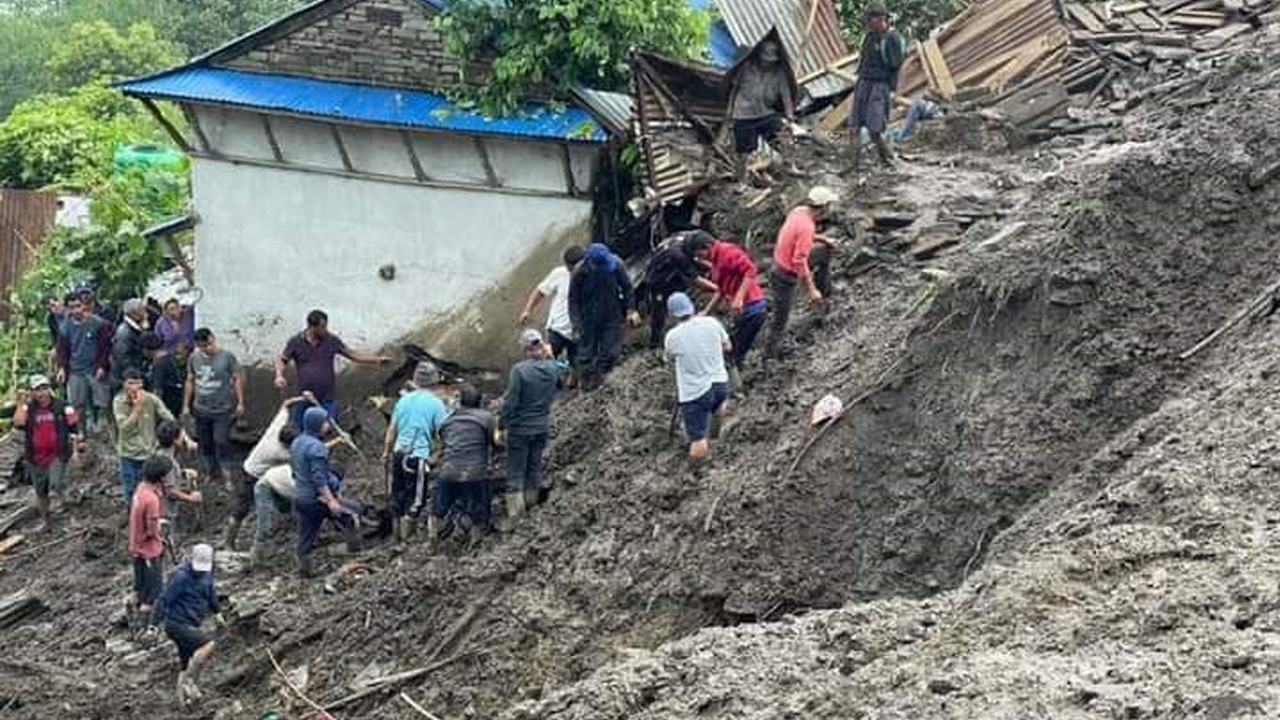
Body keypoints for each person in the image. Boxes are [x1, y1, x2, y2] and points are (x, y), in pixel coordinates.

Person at [275, 309, 392, 429]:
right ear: (312, 327)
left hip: (327, 398)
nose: (326, 330)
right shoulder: (295, 342)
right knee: (297, 429)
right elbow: (282, 360)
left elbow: (353, 355)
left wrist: (376, 360)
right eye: (323, 327)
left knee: (328, 429)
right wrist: (279, 375)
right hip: (303, 398)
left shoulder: (331, 340)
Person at [234, 395, 314, 559]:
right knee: (242, 510)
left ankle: (286, 527)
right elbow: (304, 455)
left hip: (267, 474)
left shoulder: (277, 426)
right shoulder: (278, 452)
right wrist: (334, 441)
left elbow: (285, 404)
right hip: (252, 474)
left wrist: (303, 399)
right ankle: (232, 542)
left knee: (284, 503)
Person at [685, 235, 768, 392]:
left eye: (698, 254)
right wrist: (706, 312)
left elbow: (750, 270)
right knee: (734, 350)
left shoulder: (727, 252)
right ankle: (737, 383)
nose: (699, 258)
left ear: (707, 246)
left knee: (730, 353)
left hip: (753, 309)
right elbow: (721, 290)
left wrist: (739, 297)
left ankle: (736, 392)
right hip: (743, 312)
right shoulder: (716, 261)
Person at [765, 187, 839, 362]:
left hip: (782, 262)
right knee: (780, 320)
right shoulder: (807, 226)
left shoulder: (799, 211)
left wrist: (824, 239)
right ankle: (769, 358)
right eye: (829, 205)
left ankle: (825, 292)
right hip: (784, 274)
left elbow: (802, 235)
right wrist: (811, 290)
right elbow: (799, 261)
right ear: (824, 207)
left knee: (823, 252)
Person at [381, 361, 447, 542]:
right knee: (416, 500)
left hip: (398, 454)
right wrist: (438, 455)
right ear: (435, 382)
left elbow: (391, 430)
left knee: (397, 495)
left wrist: (386, 453)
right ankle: (406, 539)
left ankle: (395, 536)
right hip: (416, 457)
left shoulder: (403, 400)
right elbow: (444, 433)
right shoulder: (436, 404)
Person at [291, 406, 361, 577]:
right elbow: (319, 479)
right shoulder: (317, 448)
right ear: (317, 425)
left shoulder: (298, 442)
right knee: (352, 515)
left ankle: (304, 569)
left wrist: (337, 441)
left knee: (306, 533)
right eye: (325, 422)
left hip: (300, 499)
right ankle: (355, 555)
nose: (328, 425)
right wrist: (331, 501)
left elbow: (296, 469)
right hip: (316, 499)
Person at [500, 329, 560, 520]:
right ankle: (531, 509)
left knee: (515, 473)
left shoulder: (519, 370)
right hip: (541, 427)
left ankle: (516, 517)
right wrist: (551, 357)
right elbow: (563, 380)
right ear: (542, 345)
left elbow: (511, 403)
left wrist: (502, 424)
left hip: (520, 429)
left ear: (525, 348)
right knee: (533, 468)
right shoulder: (553, 367)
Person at [663, 293, 731, 460]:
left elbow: (669, 358)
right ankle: (714, 441)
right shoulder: (712, 322)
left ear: (672, 314)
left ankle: (695, 475)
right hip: (720, 383)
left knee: (697, 439)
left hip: (696, 393)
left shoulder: (673, 336)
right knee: (718, 408)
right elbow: (728, 346)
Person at [430, 385, 499, 547]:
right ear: (480, 402)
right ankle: (476, 540)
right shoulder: (487, 418)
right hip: (475, 473)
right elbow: (496, 443)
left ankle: (432, 537)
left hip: (449, 471)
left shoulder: (448, 421)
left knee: (439, 507)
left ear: (460, 402)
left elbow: (442, 445)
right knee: (480, 508)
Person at [154, 543, 222, 706]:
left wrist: (218, 612)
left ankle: (183, 704)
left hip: (192, 624)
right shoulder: (181, 576)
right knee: (207, 645)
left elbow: (211, 593)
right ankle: (189, 682)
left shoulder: (207, 573)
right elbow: (164, 600)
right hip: (176, 624)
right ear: (191, 559)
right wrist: (153, 624)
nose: (200, 571)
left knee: (186, 664)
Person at [13, 374, 80, 531]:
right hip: (35, 457)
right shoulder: (28, 408)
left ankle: (66, 516)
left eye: (44, 388)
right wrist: (21, 402)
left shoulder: (63, 405)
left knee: (55, 485)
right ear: (32, 392)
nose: (42, 393)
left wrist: (76, 452)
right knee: (40, 492)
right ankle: (46, 522)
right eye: (37, 390)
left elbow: (74, 429)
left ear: (49, 389)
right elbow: (18, 423)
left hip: (58, 454)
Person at [568, 243, 638, 391]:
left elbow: (627, 288)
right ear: (591, 262)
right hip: (588, 317)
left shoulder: (616, 264)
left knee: (611, 351)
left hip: (612, 312)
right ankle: (586, 386)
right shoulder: (579, 272)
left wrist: (631, 309)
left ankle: (603, 379)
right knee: (586, 354)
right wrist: (576, 325)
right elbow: (573, 301)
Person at [184, 328, 244, 492]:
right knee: (205, 443)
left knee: (221, 440)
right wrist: (186, 405)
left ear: (213, 339)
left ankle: (227, 473)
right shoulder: (194, 358)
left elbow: (237, 378)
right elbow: (190, 380)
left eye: (209, 344)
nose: (207, 349)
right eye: (202, 346)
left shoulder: (227, 357)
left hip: (222, 408)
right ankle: (211, 471)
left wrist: (240, 402)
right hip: (201, 408)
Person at [848, 2, 906, 171]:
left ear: (881, 18)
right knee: (854, 126)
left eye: (871, 19)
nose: (868, 23)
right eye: (867, 20)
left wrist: (892, 90)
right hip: (863, 82)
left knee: (874, 129)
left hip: (880, 86)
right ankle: (853, 165)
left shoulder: (892, 38)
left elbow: (896, 66)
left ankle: (887, 160)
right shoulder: (869, 36)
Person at [520, 245, 585, 376]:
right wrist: (528, 310)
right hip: (557, 328)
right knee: (545, 360)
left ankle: (572, 385)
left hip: (579, 330)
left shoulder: (591, 275)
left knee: (576, 365)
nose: (570, 270)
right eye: (568, 267)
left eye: (572, 268)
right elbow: (540, 291)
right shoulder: (560, 273)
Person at [115, 369, 177, 504]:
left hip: (148, 453)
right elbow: (124, 428)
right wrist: (137, 409)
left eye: (137, 383)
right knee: (130, 490)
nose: (134, 387)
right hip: (128, 454)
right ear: (124, 384)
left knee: (149, 490)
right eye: (130, 383)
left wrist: (165, 434)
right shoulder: (119, 402)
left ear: (142, 384)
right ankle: (132, 516)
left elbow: (169, 418)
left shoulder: (151, 399)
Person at [55, 292, 111, 432]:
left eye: (78, 306)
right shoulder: (65, 327)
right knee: (77, 404)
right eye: (72, 307)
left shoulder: (98, 323)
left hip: (95, 368)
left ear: (84, 305)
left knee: (102, 402)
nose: (76, 310)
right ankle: (80, 433)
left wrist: (102, 366)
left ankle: (102, 431)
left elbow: (105, 347)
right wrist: (62, 368)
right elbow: (62, 350)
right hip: (76, 370)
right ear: (67, 309)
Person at [639, 231, 705, 348]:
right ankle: (654, 342)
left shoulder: (683, 237)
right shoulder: (678, 255)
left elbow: (697, 259)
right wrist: (717, 288)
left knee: (681, 293)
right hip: (657, 280)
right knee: (659, 311)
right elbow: (695, 278)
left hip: (671, 272)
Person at [128, 455, 171, 632]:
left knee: (139, 587)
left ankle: (131, 609)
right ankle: (144, 629)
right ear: (161, 477)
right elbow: (153, 531)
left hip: (136, 547)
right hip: (149, 551)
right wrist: (160, 525)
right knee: (152, 594)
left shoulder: (141, 489)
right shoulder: (152, 500)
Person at [731, 39, 796, 157]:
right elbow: (734, 88)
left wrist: (789, 114)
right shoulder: (746, 67)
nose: (767, 63)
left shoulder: (779, 72)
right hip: (743, 114)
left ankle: (791, 166)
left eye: (770, 61)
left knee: (783, 139)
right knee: (743, 152)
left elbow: (785, 94)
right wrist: (730, 110)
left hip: (765, 113)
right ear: (759, 56)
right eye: (765, 59)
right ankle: (741, 174)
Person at [110, 298, 151, 393]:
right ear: (134, 314)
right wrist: (141, 377)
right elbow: (124, 360)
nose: (145, 313)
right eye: (142, 310)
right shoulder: (124, 333)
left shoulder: (135, 329)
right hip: (125, 382)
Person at [148, 331, 184, 419]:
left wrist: (155, 410)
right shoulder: (169, 357)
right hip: (177, 400)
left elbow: (157, 389)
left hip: (167, 403)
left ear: (147, 350)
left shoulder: (159, 363)